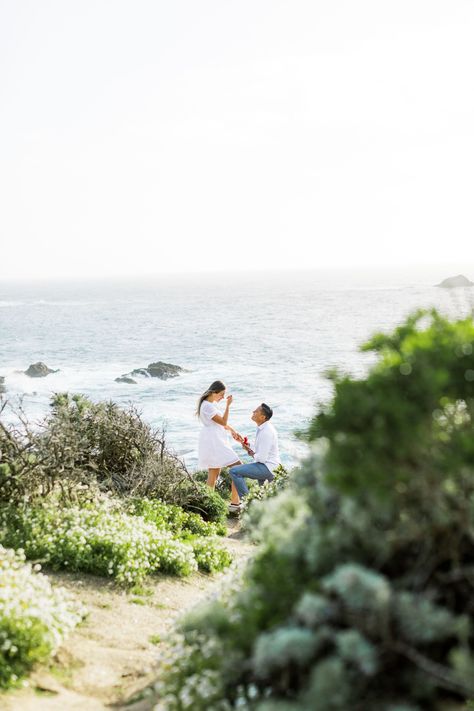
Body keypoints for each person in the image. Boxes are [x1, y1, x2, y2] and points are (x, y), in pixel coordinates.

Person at [197, 380, 242, 507]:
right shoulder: (207, 406)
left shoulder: (210, 405)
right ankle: (235, 503)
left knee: (213, 475)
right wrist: (228, 405)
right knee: (238, 468)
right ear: (213, 392)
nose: (223, 397)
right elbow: (222, 422)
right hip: (215, 442)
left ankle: (206, 504)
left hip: (215, 440)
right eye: (221, 394)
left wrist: (233, 431)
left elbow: (221, 424)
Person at [229, 403, 280, 510]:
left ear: (263, 417)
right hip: (269, 467)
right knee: (265, 499)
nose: (253, 412)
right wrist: (244, 442)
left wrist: (251, 453)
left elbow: (261, 458)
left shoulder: (266, 431)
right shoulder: (262, 428)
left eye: (256, 411)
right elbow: (259, 449)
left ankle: (248, 504)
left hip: (267, 468)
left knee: (234, 471)